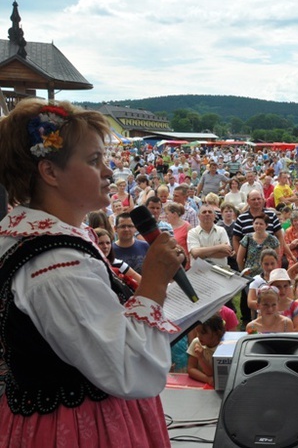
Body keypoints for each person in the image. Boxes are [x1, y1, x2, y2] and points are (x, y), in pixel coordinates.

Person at [0, 100, 184, 445]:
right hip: (79, 427)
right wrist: (155, 283)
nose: (109, 171)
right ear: (50, 172)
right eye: (93, 160)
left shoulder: (38, 239)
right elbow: (129, 368)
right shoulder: (56, 268)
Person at [186, 315, 226, 387]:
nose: (198, 336)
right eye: (197, 332)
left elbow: (212, 373)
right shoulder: (196, 343)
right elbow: (190, 368)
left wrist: (201, 358)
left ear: (217, 333)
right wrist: (207, 379)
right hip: (199, 384)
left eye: (203, 333)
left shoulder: (224, 347)